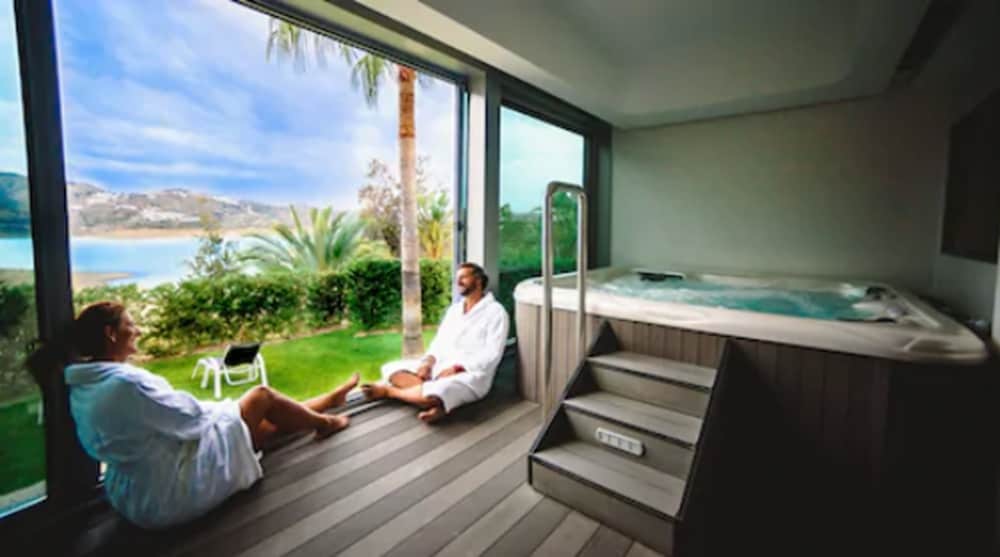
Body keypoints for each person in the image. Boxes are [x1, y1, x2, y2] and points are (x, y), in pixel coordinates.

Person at [43, 301, 357, 529]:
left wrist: (226, 412)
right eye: (130, 324)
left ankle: (328, 401)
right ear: (111, 334)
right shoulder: (125, 385)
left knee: (261, 428)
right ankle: (325, 422)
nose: (137, 330)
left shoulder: (85, 385)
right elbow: (189, 419)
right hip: (171, 492)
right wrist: (225, 409)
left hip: (134, 496)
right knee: (262, 396)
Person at [362, 262, 509, 423]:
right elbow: (439, 341)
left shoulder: (496, 312)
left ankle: (390, 392)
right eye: (457, 278)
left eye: (463, 277)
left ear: (478, 280)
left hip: (470, 373)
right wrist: (428, 362)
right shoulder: (454, 310)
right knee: (391, 368)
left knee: (442, 390)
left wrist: (458, 368)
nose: (458, 282)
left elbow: (492, 354)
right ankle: (436, 403)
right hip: (440, 367)